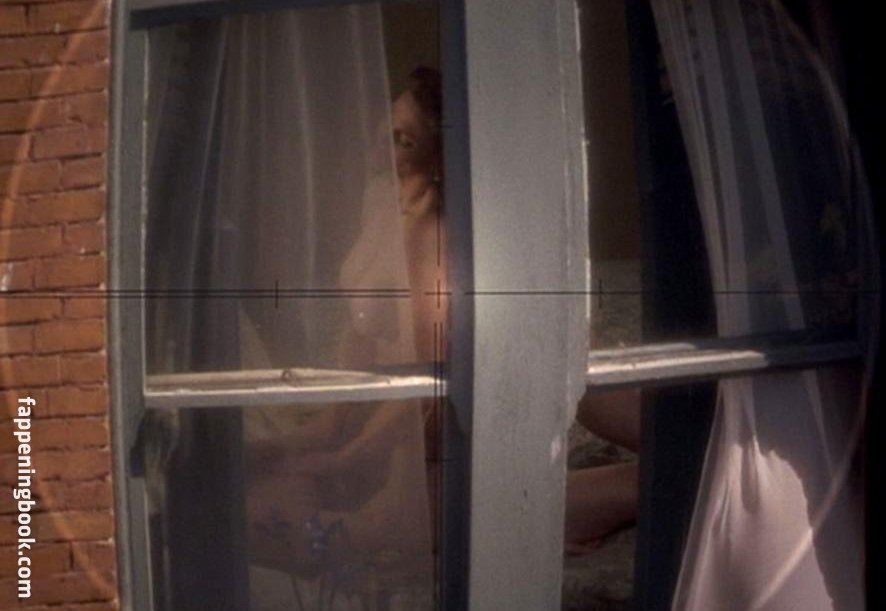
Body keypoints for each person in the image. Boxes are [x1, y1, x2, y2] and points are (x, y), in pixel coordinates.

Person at [244, 67, 445, 596]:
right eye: (386, 124)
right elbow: (361, 331)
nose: (383, 142)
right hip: (365, 421)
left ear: (437, 154)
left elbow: (426, 384)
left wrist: (348, 457)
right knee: (234, 483)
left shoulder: (434, 233)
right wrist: (318, 431)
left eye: (403, 138)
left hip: (413, 439)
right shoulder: (379, 201)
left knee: (270, 528)